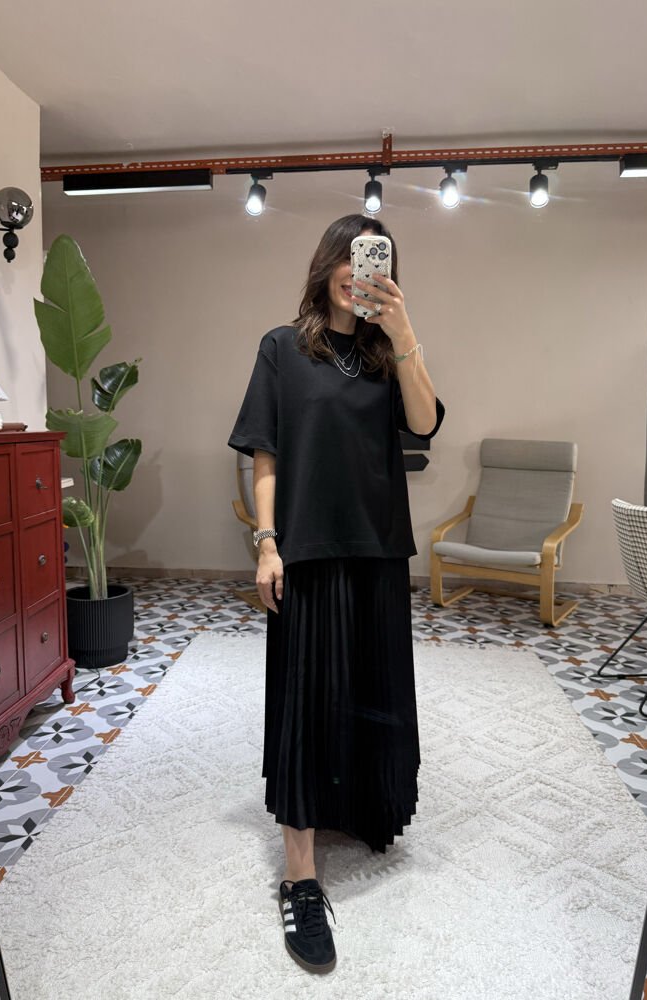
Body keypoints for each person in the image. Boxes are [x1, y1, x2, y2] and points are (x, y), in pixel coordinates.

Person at [227, 213, 445, 974]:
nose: (361, 272)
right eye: (351, 259)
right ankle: (300, 876)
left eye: (375, 261)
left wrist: (404, 328)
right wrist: (267, 542)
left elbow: (424, 423)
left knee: (370, 695)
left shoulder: (389, 354)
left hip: (378, 550)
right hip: (308, 551)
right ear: (326, 266)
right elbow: (265, 453)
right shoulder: (281, 348)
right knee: (306, 701)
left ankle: (355, 806)